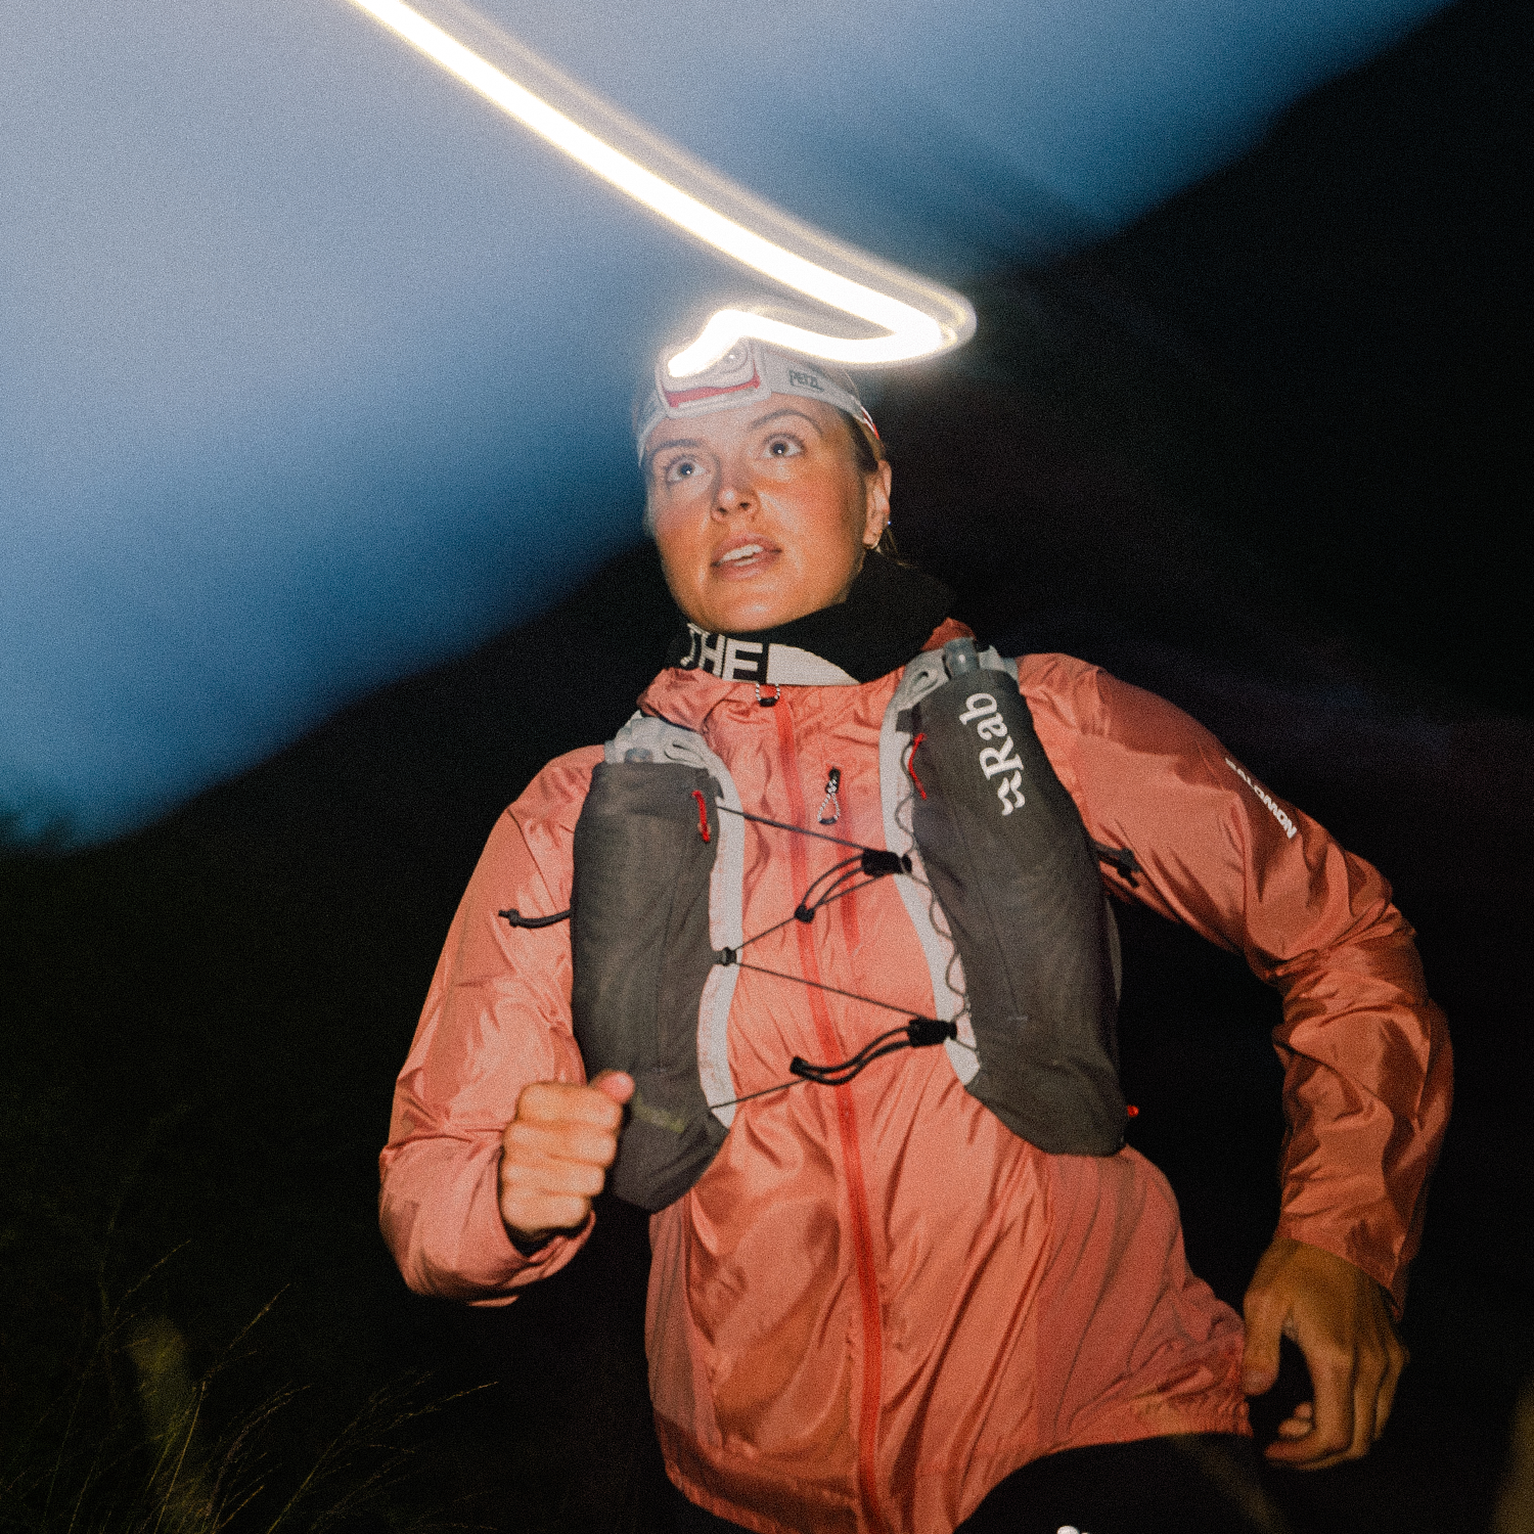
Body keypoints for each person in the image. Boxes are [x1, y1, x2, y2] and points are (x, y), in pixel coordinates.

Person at [378, 339, 1451, 1534]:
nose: (724, 492)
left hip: (1100, 1430)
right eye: (680, 467)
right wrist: (508, 1199)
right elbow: (430, 1186)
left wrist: (1341, 1238)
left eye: (778, 446)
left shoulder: (1056, 718)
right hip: (749, 1499)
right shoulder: (569, 815)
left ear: (876, 491)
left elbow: (1346, 937)